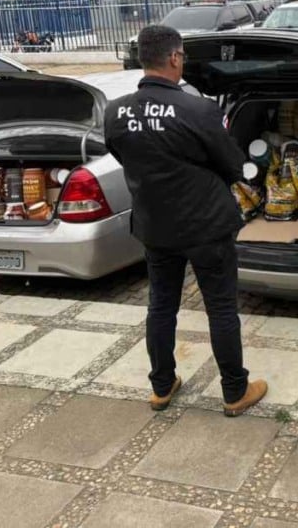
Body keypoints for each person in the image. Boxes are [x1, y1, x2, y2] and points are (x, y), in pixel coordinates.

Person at [105, 25, 267, 415]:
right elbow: (232, 166)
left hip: (156, 229)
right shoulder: (198, 110)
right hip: (207, 228)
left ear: (143, 58)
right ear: (175, 58)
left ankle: (162, 387)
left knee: (161, 307)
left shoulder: (115, 111)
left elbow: (124, 156)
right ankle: (234, 392)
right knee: (221, 308)